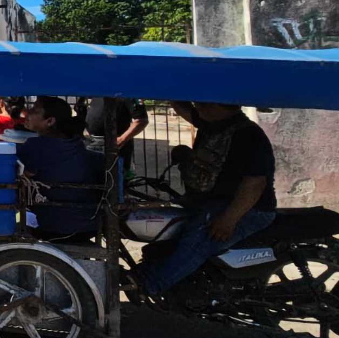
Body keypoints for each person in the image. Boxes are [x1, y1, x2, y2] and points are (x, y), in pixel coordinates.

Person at [138, 102, 277, 296]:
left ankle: (151, 285)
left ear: (220, 106)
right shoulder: (212, 122)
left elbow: (254, 184)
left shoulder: (249, 136)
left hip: (248, 209)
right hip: (213, 202)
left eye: (204, 103)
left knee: (198, 240)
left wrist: (229, 220)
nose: (199, 106)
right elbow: (182, 108)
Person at [15, 96, 102, 240]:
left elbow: (18, 177)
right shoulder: (76, 143)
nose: (27, 113)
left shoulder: (36, 147)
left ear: (50, 121)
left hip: (53, 227)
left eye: (34, 110)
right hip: (90, 225)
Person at [85, 97, 149, 173]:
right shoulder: (101, 91)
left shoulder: (129, 93)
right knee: (94, 176)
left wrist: (121, 140)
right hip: (93, 144)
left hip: (115, 147)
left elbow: (141, 121)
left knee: (115, 178)